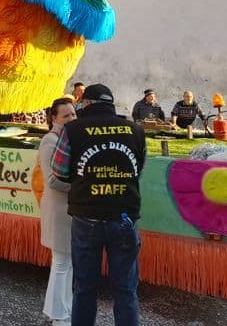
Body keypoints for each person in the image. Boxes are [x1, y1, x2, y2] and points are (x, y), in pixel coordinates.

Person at [52, 83, 147, 326]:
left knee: (84, 289)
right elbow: (138, 169)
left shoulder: (73, 129)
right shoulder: (135, 130)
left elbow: (59, 171)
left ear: (88, 104)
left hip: (87, 217)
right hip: (124, 216)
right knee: (125, 290)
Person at [39, 98, 77, 326]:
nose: (72, 119)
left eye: (73, 114)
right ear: (54, 118)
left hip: (68, 210)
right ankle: (59, 316)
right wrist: (81, 187)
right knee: (62, 263)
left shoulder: (67, 139)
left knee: (66, 263)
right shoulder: (50, 141)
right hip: (58, 210)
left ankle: (61, 309)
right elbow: (52, 180)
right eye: (66, 116)